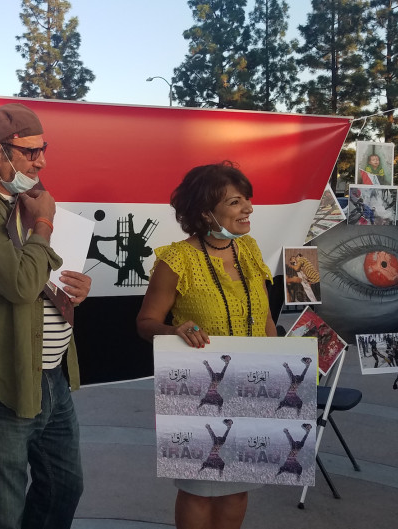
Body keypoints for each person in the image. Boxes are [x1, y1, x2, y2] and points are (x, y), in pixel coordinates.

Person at [0, 103, 92, 529]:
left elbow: (46, 278)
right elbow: (21, 284)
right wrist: (43, 223)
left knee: (65, 485)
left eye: (43, 150)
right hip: (4, 381)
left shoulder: (27, 199)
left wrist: (75, 290)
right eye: (30, 152)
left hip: (51, 374)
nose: (41, 160)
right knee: (2, 509)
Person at [136, 161, 277, 529]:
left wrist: (278, 366)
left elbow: (265, 319)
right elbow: (145, 324)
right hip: (199, 387)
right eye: (234, 202)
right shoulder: (176, 259)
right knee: (200, 487)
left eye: (246, 199)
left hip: (253, 384)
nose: (247, 208)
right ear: (204, 213)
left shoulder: (249, 250)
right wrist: (176, 330)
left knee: (237, 487)